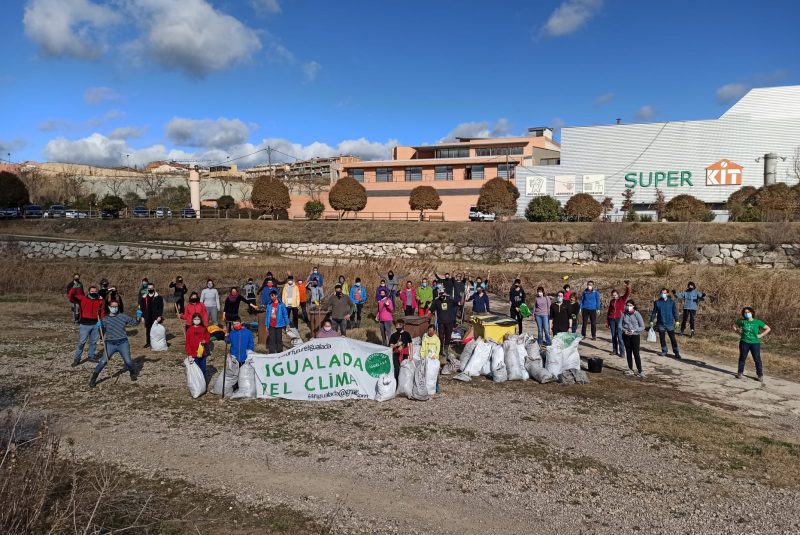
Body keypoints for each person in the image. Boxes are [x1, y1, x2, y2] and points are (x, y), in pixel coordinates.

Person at [90, 300, 139, 388]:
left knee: (128, 361)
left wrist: (138, 316)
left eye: (116, 306)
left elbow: (135, 323)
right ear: (109, 307)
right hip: (110, 344)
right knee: (103, 361)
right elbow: (102, 333)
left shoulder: (123, 316)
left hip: (123, 342)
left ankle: (132, 372)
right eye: (113, 306)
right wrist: (99, 326)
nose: (114, 308)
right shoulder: (105, 319)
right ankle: (93, 379)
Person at [733, 307, 771, 382]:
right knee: (742, 358)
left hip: (755, 343)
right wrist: (738, 332)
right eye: (745, 312)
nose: (747, 314)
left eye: (748, 312)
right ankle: (740, 373)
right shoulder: (742, 321)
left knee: (757, 359)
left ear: (752, 313)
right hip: (744, 342)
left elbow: (768, 328)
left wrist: (761, 335)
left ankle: (760, 375)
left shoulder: (757, 322)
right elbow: (734, 325)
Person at [72, 284, 105, 366]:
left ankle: (91, 356)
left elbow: (102, 312)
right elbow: (72, 297)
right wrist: (74, 288)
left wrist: (102, 321)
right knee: (81, 342)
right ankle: (77, 359)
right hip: (84, 324)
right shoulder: (83, 299)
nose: (93, 292)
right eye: (92, 291)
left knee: (93, 342)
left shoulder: (100, 301)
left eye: (95, 291)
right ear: (89, 292)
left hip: (95, 324)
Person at [649, 288, 681, 359]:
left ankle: (676, 352)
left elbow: (675, 312)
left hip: (670, 323)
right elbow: (654, 312)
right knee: (662, 338)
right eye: (662, 293)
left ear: (667, 293)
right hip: (661, 323)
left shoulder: (671, 302)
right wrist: (651, 320)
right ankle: (664, 351)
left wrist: (677, 321)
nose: (663, 294)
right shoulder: (657, 302)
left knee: (672, 338)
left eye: (664, 293)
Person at [606, 281, 632, 357]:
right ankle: (614, 350)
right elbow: (609, 311)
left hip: (619, 319)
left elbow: (627, 293)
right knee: (613, 336)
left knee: (620, 336)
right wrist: (607, 321)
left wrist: (628, 286)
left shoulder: (622, 299)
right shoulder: (611, 301)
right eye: (613, 295)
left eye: (615, 295)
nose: (614, 296)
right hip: (611, 319)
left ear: (618, 294)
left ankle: (622, 352)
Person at [621, 300, 646, 378]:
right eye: (627, 305)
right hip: (626, 335)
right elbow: (619, 325)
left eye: (630, 305)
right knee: (628, 353)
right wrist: (624, 330)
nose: (628, 307)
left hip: (635, 336)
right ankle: (630, 369)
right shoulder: (624, 314)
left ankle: (640, 371)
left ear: (633, 306)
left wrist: (634, 330)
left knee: (636, 353)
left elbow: (642, 326)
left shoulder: (637, 314)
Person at [138, 282, 164, 349]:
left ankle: (155, 343)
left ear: (154, 288)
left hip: (155, 316)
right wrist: (142, 317)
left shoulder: (158, 297)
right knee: (148, 330)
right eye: (149, 288)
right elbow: (142, 308)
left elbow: (161, 307)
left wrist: (159, 316)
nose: (150, 289)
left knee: (155, 330)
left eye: (151, 288)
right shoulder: (144, 297)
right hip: (147, 316)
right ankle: (148, 343)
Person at [430, 289, 456, 355]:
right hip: (440, 322)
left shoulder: (450, 300)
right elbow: (431, 309)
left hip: (449, 322)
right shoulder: (436, 301)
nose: (441, 295)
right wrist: (427, 315)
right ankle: (441, 348)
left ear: (445, 294)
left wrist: (463, 296)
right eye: (440, 294)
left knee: (448, 335)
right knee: (441, 336)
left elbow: (459, 303)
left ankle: (446, 348)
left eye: (442, 293)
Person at [185, 313, 211, 377]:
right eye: (195, 319)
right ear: (192, 320)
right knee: (195, 370)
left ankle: (204, 381)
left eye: (198, 319)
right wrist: (189, 354)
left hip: (202, 353)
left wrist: (205, 341)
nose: (197, 320)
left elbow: (208, 338)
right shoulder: (189, 330)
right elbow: (187, 343)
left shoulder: (203, 329)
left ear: (201, 320)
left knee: (203, 369)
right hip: (193, 354)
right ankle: (196, 382)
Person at [265, 290, 289, 354]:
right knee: (272, 339)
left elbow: (285, 314)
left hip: (279, 325)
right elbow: (267, 315)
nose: (271, 297)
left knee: (279, 339)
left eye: (273, 296)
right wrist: (266, 325)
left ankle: (280, 352)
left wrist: (287, 323)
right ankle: (272, 353)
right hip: (271, 325)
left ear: (276, 295)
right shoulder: (269, 305)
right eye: (270, 296)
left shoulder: (281, 305)